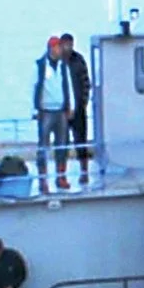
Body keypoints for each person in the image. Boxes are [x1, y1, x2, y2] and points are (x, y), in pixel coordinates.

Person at [33, 35, 74, 193]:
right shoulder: (40, 65)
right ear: (51, 48)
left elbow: (68, 86)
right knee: (43, 145)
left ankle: (61, 176)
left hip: (61, 110)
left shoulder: (63, 66)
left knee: (62, 144)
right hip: (45, 111)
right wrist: (34, 109)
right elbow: (32, 87)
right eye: (57, 47)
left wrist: (70, 106)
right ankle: (43, 180)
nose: (60, 50)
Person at [60, 33, 92, 184]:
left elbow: (86, 83)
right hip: (61, 112)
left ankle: (84, 173)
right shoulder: (56, 62)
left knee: (81, 143)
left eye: (71, 44)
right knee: (62, 144)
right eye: (66, 44)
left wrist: (83, 103)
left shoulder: (79, 60)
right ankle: (62, 175)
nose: (68, 47)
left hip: (78, 109)